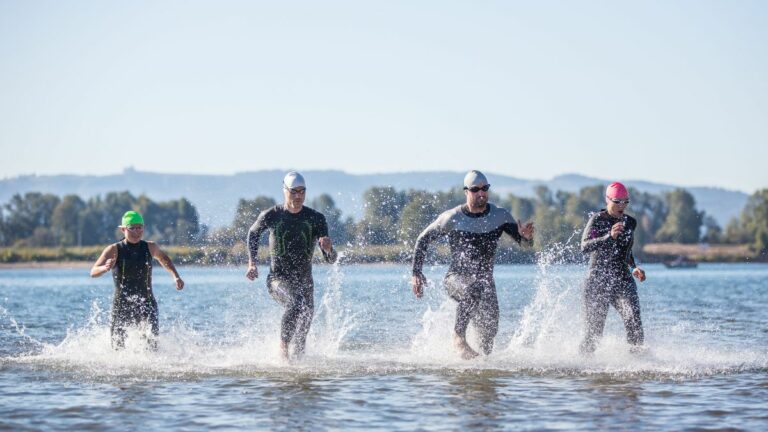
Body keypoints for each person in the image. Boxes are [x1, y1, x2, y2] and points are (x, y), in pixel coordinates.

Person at [411, 170, 535, 359]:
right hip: (456, 279)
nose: (481, 193)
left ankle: (480, 376)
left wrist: (527, 238)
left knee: (490, 331)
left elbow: (525, 244)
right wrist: (416, 272)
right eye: (475, 189)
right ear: (466, 192)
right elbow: (422, 239)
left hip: (486, 283)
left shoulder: (500, 216)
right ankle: (458, 337)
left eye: (484, 188)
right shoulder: (452, 218)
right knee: (472, 288)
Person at [246, 171, 338, 360]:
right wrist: (252, 262)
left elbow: (330, 259)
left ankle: (298, 370)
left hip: (305, 282)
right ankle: (282, 351)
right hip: (277, 280)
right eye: (293, 192)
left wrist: (329, 249)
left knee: (304, 321)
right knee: (295, 304)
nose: (298, 196)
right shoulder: (271, 215)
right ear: (284, 191)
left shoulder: (316, 219)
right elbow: (253, 234)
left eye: (302, 192)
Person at [90, 211, 184, 350]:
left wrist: (175, 276)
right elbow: (93, 272)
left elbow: (165, 259)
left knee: (152, 345)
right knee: (117, 347)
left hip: (146, 302)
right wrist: (104, 268)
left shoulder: (150, 247)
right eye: (132, 228)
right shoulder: (114, 249)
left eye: (139, 227)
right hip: (122, 304)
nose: (136, 231)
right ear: (123, 229)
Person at [579, 182, 647, 354]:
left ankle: (637, 367)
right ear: (607, 200)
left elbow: (626, 249)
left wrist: (634, 266)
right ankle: (584, 370)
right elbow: (585, 246)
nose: (622, 206)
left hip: (622, 279)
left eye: (626, 202)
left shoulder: (630, 222)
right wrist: (609, 236)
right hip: (597, 280)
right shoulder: (597, 220)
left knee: (634, 322)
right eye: (617, 201)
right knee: (593, 334)